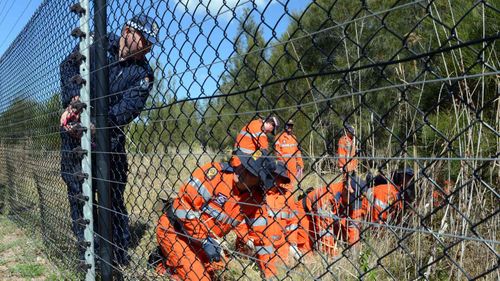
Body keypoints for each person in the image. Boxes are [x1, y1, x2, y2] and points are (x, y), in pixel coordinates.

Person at [59, 14, 159, 265]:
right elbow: (68, 66)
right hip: (75, 140)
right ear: (128, 31)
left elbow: (127, 110)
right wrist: (74, 101)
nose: (148, 47)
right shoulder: (98, 44)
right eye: (144, 39)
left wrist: (95, 125)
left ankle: (117, 259)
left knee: (112, 198)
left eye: (151, 43)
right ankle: (88, 257)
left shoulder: (143, 72)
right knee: (78, 196)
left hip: (109, 144)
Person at [154, 150, 277, 280]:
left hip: (205, 243)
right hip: (176, 231)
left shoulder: (255, 199)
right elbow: (182, 207)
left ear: (259, 181)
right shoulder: (215, 174)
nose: (243, 172)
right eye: (245, 165)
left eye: (251, 173)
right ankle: (165, 264)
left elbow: (262, 238)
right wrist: (204, 239)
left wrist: (269, 275)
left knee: (224, 272)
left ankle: (175, 263)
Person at [235, 161, 300, 279]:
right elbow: (238, 218)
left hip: (280, 247)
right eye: (273, 176)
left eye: (279, 177)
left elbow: (293, 222)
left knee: (283, 273)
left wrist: (292, 244)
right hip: (254, 247)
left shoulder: (287, 197)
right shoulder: (253, 196)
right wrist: (245, 238)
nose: (276, 180)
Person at [295, 176, 368, 255]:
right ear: (346, 190)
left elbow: (354, 225)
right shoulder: (327, 197)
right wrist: (332, 255)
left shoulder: (354, 199)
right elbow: (325, 230)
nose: (351, 204)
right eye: (351, 200)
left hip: (326, 217)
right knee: (307, 253)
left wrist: (354, 250)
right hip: (305, 214)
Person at [274, 119, 304, 184]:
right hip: (283, 162)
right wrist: (281, 162)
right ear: (285, 126)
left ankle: (290, 193)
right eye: (288, 125)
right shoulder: (279, 137)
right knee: (283, 181)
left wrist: (300, 163)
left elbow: (297, 152)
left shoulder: (294, 137)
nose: (290, 127)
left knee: (292, 182)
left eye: (291, 125)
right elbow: (277, 151)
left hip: (292, 163)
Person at [337, 124, 358, 192]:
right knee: (346, 179)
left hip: (352, 165)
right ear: (347, 132)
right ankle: (347, 187)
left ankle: (350, 187)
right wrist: (341, 166)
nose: (352, 133)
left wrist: (355, 165)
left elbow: (353, 154)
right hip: (346, 164)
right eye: (351, 132)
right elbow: (341, 154)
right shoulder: (343, 140)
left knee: (353, 178)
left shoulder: (352, 140)